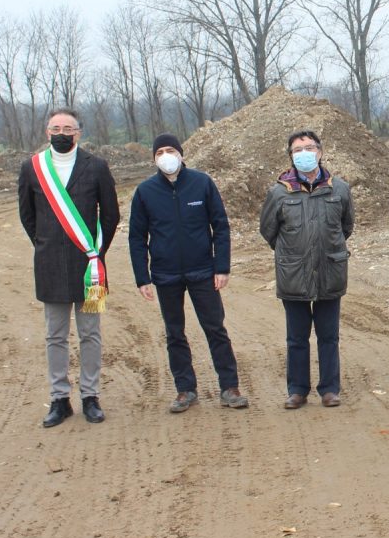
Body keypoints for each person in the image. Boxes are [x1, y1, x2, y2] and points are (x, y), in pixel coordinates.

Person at [129, 133, 249, 413]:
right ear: (154, 159)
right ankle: (185, 390)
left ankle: (230, 387)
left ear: (181, 154)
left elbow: (220, 226)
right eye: (160, 153)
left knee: (216, 329)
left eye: (170, 150)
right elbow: (137, 237)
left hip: (203, 272)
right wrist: (142, 277)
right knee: (174, 334)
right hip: (165, 275)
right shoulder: (145, 192)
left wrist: (222, 267)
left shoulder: (202, 183)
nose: (166, 156)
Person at [18, 107, 120, 428]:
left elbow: (111, 215)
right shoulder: (33, 168)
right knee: (55, 335)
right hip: (49, 266)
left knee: (91, 334)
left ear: (79, 133)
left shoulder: (97, 167)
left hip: (89, 265)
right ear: (47, 132)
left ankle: (90, 396)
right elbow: (27, 215)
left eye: (68, 128)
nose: (62, 133)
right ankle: (59, 399)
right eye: (56, 128)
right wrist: (46, 244)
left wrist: (96, 251)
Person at [259, 130, 355, 409]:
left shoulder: (339, 190)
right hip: (294, 275)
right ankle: (297, 390)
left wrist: (325, 248)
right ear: (291, 156)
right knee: (297, 338)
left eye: (309, 147)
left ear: (320, 152)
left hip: (329, 271)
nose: (305, 153)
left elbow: (345, 227)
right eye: (298, 150)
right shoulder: (279, 192)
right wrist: (294, 253)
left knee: (329, 335)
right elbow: (269, 232)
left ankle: (329, 389)